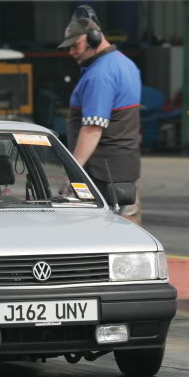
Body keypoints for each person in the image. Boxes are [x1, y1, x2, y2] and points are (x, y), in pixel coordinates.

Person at [59, 14, 143, 224]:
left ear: (94, 38)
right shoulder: (126, 64)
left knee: (96, 232)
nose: (71, 52)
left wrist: (73, 171)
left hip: (102, 172)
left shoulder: (100, 74)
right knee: (128, 226)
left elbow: (92, 128)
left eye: (75, 45)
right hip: (124, 166)